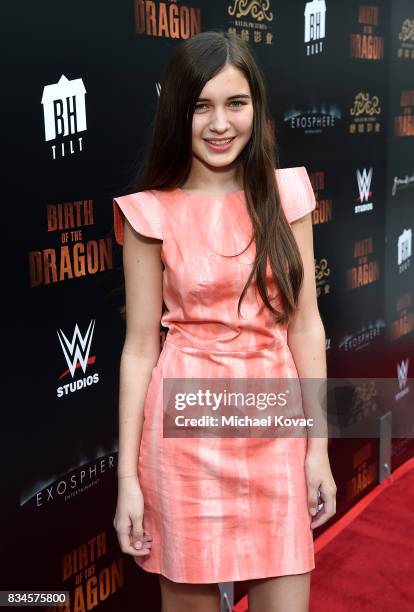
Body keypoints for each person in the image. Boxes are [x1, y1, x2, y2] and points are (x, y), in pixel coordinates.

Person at [112, 30, 337, 612]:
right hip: (184, 441)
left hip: (276, 431)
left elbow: (306, 326)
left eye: (235, 104)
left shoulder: (288, 197)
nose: (219, 123)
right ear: (176, 112)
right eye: (200, 106)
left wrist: (318, 450)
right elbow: (140, 348)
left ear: (256, 108)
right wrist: (128, 482)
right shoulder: (149, 212)